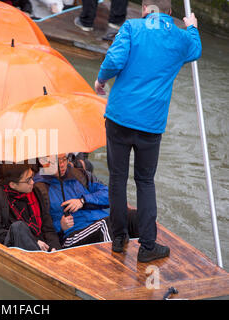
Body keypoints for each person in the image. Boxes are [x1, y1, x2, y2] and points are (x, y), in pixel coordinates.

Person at [94, 0, 201, 262]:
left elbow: (114, 59)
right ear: (169, 13)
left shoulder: (132, 27)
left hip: (119, 117)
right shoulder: (180, 37)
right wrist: (192, 27)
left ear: (144, 8)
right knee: (145, 182)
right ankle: (148, 246)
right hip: (150, 124)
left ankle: (118, 240)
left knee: (117, 179)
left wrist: (100, 80)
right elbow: (195, 50)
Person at [34, 154, 139, 249]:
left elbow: (110, 195)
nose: (62, 165)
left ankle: (146, 252)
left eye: (64, 160)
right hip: (72, 235)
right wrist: (60, 226)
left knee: (133, 216)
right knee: (107, 224)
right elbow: (42, 227)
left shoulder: (80, 174)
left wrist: (83, 201)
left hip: (101, 222)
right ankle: (114, 265)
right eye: (56, 162)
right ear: (45, 163)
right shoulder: (39, 188)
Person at [0, 163, 62, 251]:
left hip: (43, 248)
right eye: (28, 180)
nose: (32, 182)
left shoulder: (35, 192)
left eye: (32, 176)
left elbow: (48, 227)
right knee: (18, 227)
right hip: (13, 250)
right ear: (13, 185)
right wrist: (33, 241)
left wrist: (54, 248)